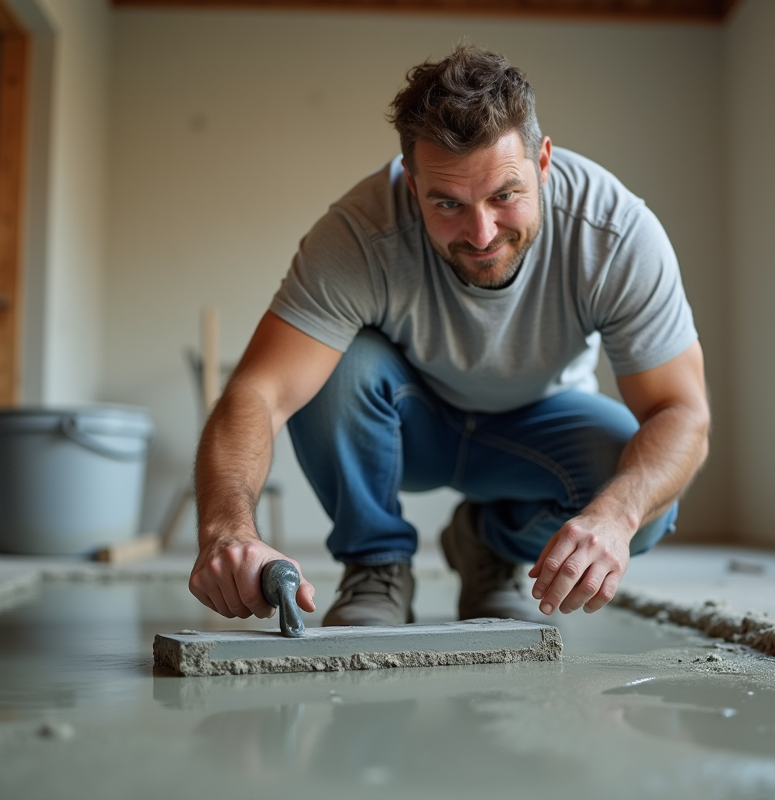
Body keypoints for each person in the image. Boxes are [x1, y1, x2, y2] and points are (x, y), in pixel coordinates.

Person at [188, 44, 710, 628]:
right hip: (409, 421)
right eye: (448, 203)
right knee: (334, 361)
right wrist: (226, 532)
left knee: (643, 504)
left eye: (504, 195)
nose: (481, 233)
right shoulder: (358, 234)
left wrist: (613, 518)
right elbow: (257, 392)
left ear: (543, 163)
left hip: (539, 428)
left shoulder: (614, 233)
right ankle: (376, 565)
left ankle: (490, 543)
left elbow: (682, 411)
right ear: (412, 185)